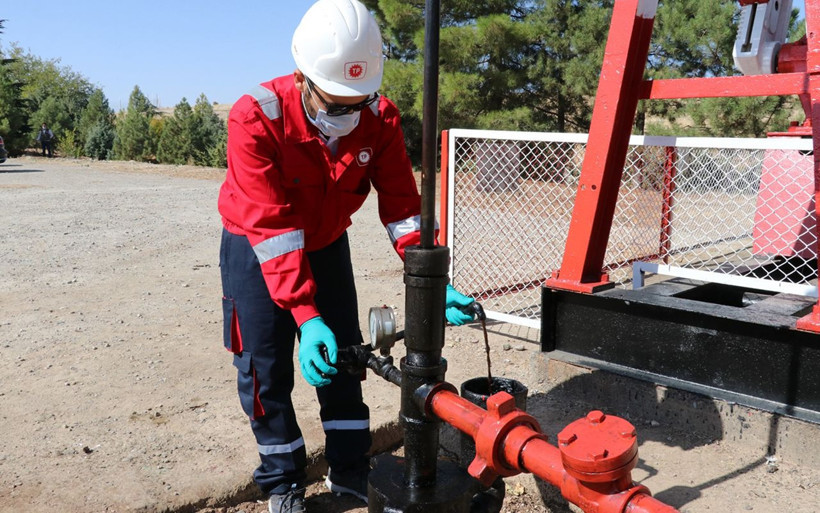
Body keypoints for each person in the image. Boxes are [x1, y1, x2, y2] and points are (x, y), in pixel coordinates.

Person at [217, 1, 476, 512]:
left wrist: (433, 280)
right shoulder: (255, 118)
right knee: (264, 369)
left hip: (326, 244)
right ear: (302, 78)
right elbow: (272, 226)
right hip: (255, 248)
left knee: (345, 361)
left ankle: (352, 472)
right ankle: (282, 483)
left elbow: (404, 209)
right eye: (334, 105)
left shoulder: (377, 119)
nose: (346, 117)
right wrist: (305, 313)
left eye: (356, 103)